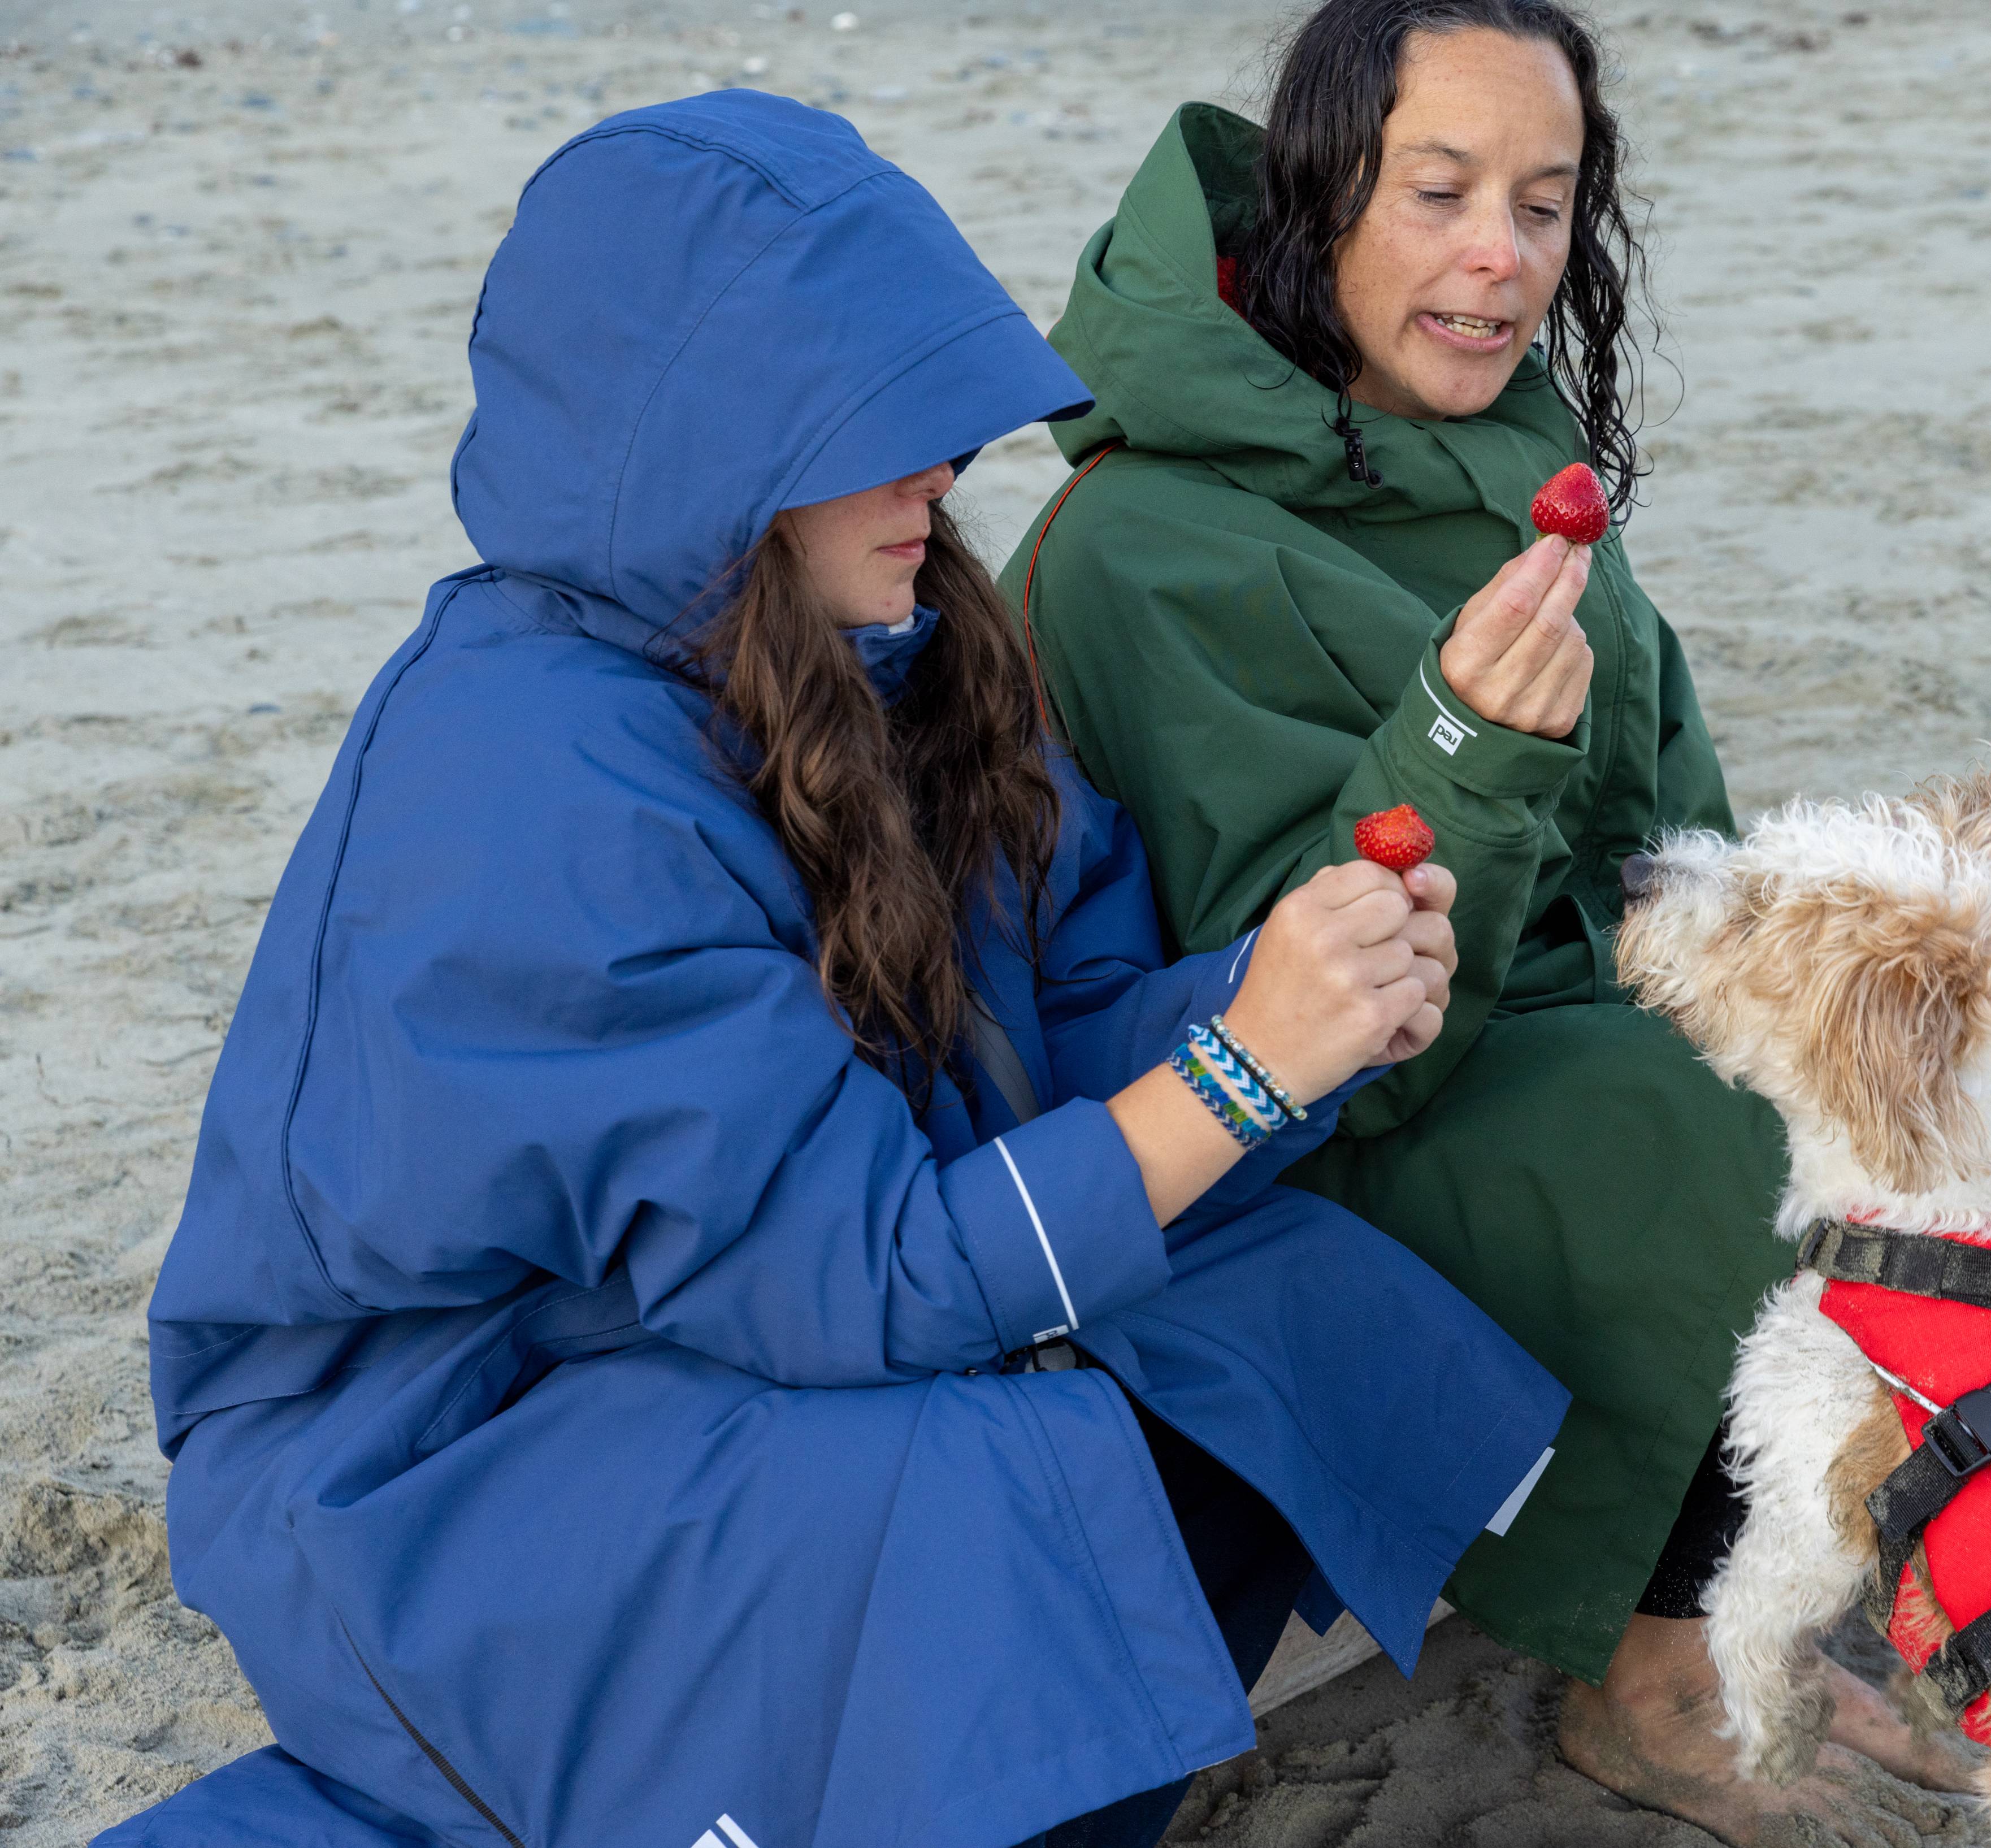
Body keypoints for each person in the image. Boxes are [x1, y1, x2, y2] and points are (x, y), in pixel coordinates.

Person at [97, 93, 1570, 1848]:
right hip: (448, 1441)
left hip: (756, 1295)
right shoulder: (528, 786)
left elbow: (1053, 1039)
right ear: (716, 445)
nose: (941, 470)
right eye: (881, 425)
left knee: (1292, 1313)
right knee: (982, 1503)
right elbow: (859, 1279)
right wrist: (1240, 1072)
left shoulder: (900, 652)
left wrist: (1298, 1000)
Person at [999, 2, 1980, 1841]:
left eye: (1543, 205)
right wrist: (1461, 746)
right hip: (1283, 1134)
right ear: (1317, 198)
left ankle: (1774, 1599)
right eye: (1438, 194)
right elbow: (1318, 1045)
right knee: (1723, 1120)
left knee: (1897, 1027)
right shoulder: (1136, 548)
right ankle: (1655, 1673)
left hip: (1528, 1037)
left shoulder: (1494, 444)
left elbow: (1666, 832)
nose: (1502, 260)